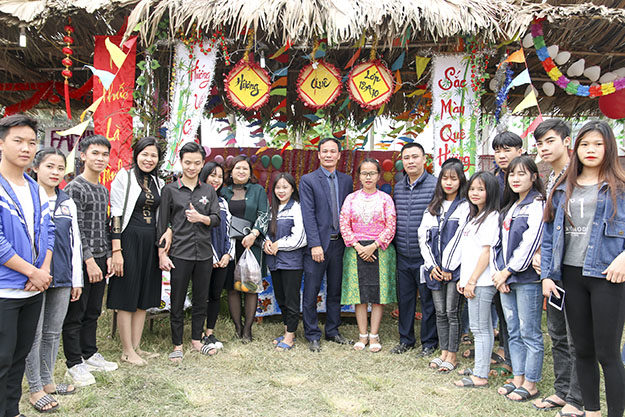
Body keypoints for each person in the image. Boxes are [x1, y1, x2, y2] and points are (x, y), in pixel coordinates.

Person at [542, 121, 625, 417]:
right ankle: (591, 411)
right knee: (583, 350)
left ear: (609, 147)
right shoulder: (563, 187)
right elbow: (549, 235)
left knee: (608, 353)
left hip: (606, 276)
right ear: (576, 148)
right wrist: (547, 275)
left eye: (598, 144)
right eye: (585, 144)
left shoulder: (621, 187)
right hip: (570, 276)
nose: (591, 150)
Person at [0, 114, 55, 417]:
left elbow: (49, 231)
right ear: (1, 144)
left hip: (33, 289)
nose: (26, 148)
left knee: (19, 357)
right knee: (2, 359)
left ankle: (12, 410)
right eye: (18, 141)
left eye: (31, 142)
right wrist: (32, 271)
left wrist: (43, 271)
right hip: (5, 290)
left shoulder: (35, 188)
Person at [531, 119, 583, 415]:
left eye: (550, 141)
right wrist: (543, 255)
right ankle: (562, 391)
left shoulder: (581, 175)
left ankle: (577, 397)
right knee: (558, 333)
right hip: (553, 271)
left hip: (576, 268)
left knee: (577, 337)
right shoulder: (551, 177)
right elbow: (550, 227)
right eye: (540, 143)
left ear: (567, 141)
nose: (544, 148)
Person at [24, 148, 82, 412]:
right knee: (33, 334)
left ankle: (48, 382)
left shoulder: (67, 201)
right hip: (33, 278)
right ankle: (34, 387)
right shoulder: (26, 197)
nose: (55, 172)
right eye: (49, 166)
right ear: (36, 168)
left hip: (62, 276)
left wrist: (76, 279)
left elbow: (75, 242)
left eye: (60, 168)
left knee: (52, 332)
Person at [62, 134, 117, 387]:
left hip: (101, 257)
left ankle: (89, 352)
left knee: (93, 310)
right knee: (76, 312)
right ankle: (74, 362)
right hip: (81, 261)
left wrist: (108, 257)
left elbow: (104, 226)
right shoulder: (75, 187)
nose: (100, 158)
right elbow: (76, 230)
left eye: (105, 154)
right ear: (83, 155)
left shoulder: (103, 190)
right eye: (95, 153)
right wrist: (89, 260)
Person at [158, 142, 220, 361]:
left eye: (196, 163)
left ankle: (196, 340)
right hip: (179, 253)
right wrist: (162, 253)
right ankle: (177, 345)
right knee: (177, 301)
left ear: (202, 164)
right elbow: (162, 223)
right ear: (181, 162)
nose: (192, 167)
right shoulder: (170, 190)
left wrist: (201, 218)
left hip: (203, 253)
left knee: (201, 299)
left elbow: (216, 219)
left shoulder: (208, 190)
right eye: (187, 163)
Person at [108, 137, 166, 366]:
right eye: (145, 154)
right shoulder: (124, 177)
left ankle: (137, 346)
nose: (149, 159)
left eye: (153, 155)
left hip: (150, 241)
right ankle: (126, 350)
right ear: (136, 155)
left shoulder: (158, 182)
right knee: (127, 294)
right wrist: (117, 250)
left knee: (144, 296)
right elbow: (116, 214)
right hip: (129, 238)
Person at [492, 156, 545, 401]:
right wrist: (499, 274)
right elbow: (497, 244)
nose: (515, 179)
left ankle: (531, 383)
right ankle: (518, 377)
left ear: (533, 177)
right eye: (512, 174)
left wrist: (508, 271)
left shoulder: (537, 204)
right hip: (506, 279)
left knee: (529, 332)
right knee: (513, 331)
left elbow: (530, 243)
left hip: (526, 279)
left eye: (521, 174)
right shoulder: (511, 206)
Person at [300, 138, 354, 352]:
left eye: (333, 151)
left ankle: (332, 330)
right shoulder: (308, 180)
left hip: (340, 244)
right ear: (319, 155)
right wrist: (315, 244)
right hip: (318, 245)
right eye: (325, 151)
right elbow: (308, 214)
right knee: (311, 291)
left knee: (335, 290)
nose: (329, 155)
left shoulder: (346, 180)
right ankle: (312, 334)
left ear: (339, 155)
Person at [447, 171, 500, 388]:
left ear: (491, 191)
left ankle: (480, 376)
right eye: (472, 189)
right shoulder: (475, 216)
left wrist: (472, 281)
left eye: (481, 189)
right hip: (473, 280)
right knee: (482, 328)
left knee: (480, 329)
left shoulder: (492, 217)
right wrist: (465, 279)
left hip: (482, 282)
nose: (475, 193)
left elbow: (486, 253)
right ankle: (481, 368)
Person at [339, 158, 396, 352]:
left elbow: (391, 225)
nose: (368, 177)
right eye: (364, 173)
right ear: (359, 176)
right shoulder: (351, 199)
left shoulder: (386, 199)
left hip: (380, 250)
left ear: (379, 175)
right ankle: (362, 335)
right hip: (355, 249)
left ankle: (374, 335)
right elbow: (344, 224)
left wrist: (374, 245)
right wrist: (358, 246)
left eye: (372, 173)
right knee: (360, 295)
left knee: (377, 295)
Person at [418, 158, 470, 372]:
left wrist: (448, 267)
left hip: (454, 271)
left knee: (452, 312)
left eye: (453, 178)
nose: (449, 183)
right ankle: (443, 352)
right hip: (435, 270)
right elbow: (423, 237)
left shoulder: (466, 207)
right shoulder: (434, 206)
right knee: (439, 312)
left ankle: (453, 355)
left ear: (461, 181)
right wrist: (432, 266)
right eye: (445, 178)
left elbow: (461, 239)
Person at [391, 142, 437, 356]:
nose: (410, 161)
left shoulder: (435, 185)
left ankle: (429, 342)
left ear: (424, 159)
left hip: (426, 257)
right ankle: (406, 340)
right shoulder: (399, 186)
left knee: (427, 301)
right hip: (403, 253)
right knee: (405, 300)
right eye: (406, 157)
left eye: (415, 157)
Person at [221, 155, 268, 343]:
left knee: (250, 287)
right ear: (231, 172)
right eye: (238, 168)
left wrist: (254, 234)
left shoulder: (258, 191)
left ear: (250, 173)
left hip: (251, 245)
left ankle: (247, 330)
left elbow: (264, 214)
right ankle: (237, 328)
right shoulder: (223, 191)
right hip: (230, 247)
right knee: (232, 288)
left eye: (245, 169)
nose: (241, 171)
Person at [488, 131, 523, 373]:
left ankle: (515, 361)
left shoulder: (525, 178)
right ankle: (505, 350)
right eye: (498, 151)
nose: (502, 155)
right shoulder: (494, 178)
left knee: (517, 312)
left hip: (518, 251)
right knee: (501, 305)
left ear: (519, 151)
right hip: (495, 249)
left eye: (507, 150)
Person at [264, 173, 307, 351]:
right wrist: (266, 242)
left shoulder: (297, 207)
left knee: (291, 299)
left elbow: (300, 237)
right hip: (274, 262)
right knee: (281, 298)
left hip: (291, 262)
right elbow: (265, 231)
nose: (281, 191)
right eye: (278, 187)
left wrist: (278, 245)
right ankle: (287, 330)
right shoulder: (271, 208)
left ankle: (290, 336)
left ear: (292, 189)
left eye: (285, 187)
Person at [199, 161, 234, 351]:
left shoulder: (223, 202)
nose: (216, 180)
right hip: (204, 257)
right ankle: (198, 333)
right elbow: (199, 231)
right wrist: (212, 256)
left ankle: (210, 332)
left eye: (220, 176)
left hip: (223, 258)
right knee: (201, 295)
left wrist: (228, 254)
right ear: (204, 175)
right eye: (212, 175)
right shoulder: (199, 199)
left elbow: (229, 230)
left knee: (215, 295)